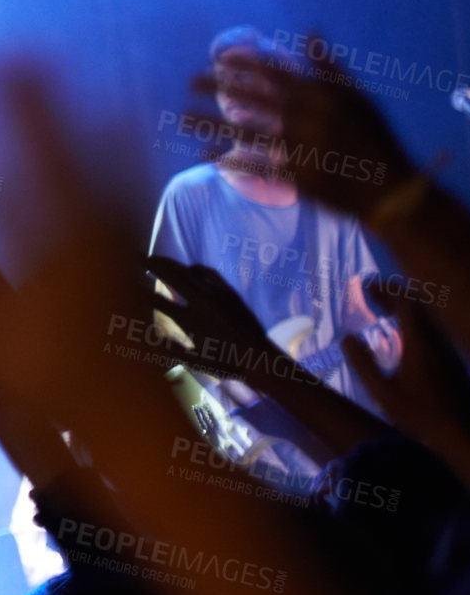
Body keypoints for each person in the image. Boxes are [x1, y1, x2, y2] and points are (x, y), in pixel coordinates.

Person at [148, 26, 401, 463]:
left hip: (336, 445)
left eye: (245, 72)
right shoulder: (189, 196)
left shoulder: (329, 196)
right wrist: (211, 411)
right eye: (221, 75)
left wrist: (385, 346)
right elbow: (165, 324)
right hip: (245, 446)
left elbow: (355, 313)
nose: (231, 86)